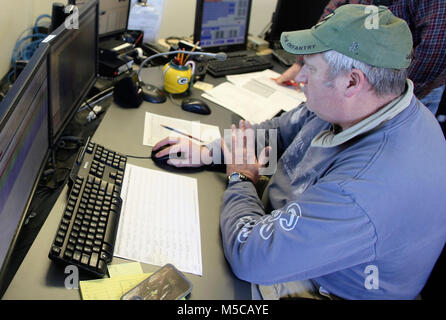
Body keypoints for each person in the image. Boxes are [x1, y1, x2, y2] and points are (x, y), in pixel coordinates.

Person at [152, 5, 446, 299]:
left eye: (311, 68)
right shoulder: (372, 101)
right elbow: (281, 130)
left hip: (320, 285)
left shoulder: (364, 187)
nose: (299, 77)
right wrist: (211, 151)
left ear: (352, 82)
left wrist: (240, 178)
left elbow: (250, 256)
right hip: (294, 232)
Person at [275, 0, 446, 116]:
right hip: (357, 83)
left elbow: (436, 51)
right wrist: (304, 62)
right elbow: (333, 16)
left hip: (410, 84)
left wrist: (388, 94)